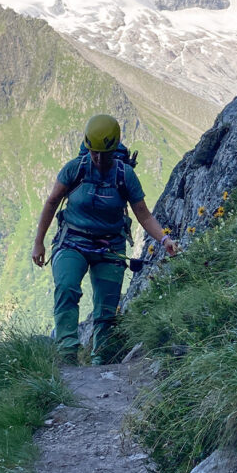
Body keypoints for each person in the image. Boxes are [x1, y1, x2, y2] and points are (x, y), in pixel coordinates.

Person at [31, 114, 178, 364]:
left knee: (106, 308)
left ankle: (100, 361)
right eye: (94, 152)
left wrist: (165, 240)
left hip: (110, 245)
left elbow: (144, 215)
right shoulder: (75, 169)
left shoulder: (125, 175)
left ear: (114, 150)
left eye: (105, 153)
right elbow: (52, 202)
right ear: (88, 148)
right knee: (66, 287)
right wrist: (39, 242)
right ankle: (67, 355)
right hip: (72, 241)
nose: (99, 159)